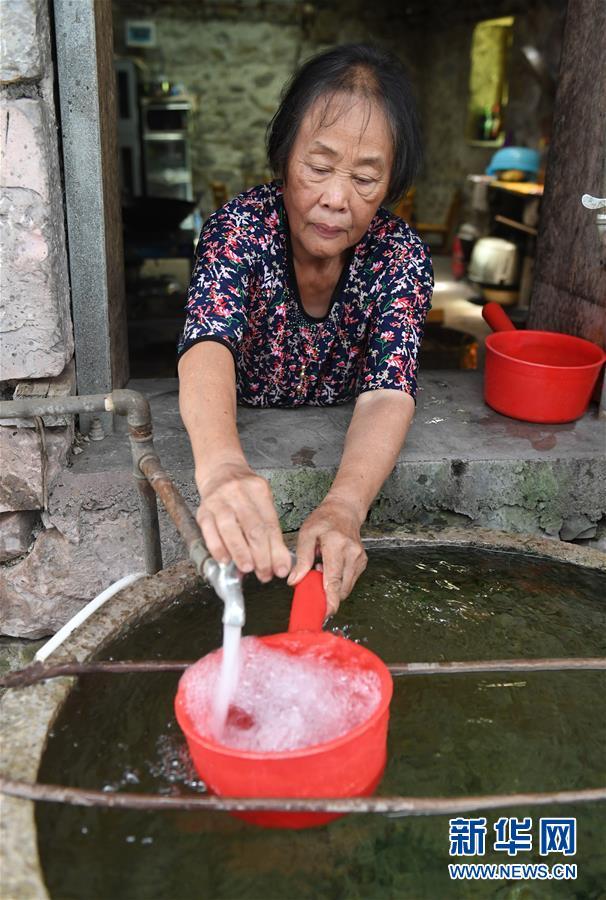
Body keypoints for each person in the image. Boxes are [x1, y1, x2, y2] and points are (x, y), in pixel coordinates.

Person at [178, 43, 433, 616]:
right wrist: (221, 469)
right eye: (318, 168)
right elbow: (207, 342)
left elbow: (390, 390)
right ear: (284, 155)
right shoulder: (238, 229)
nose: (336, 199)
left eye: (366, 179)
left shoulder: (400, 256)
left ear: (391, 185)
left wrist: (343, 505)